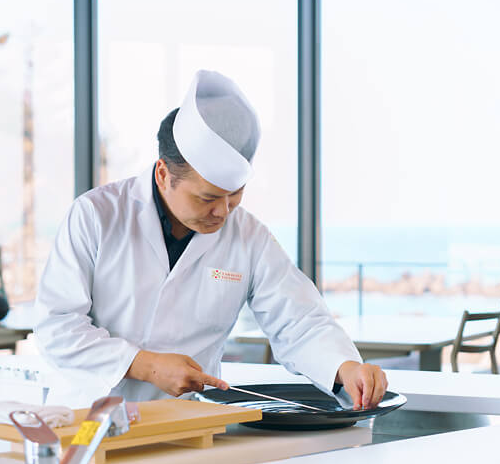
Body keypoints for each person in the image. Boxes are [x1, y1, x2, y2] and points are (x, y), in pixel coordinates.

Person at [36, 70, 387, 409]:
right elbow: (58, 326)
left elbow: (298, 319)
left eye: (235, 195)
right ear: (163, 174)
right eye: (207, 198)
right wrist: (147, 365)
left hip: (188, 425)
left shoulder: (249, 236)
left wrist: (345, 368)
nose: (222, 212)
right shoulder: (96, 215)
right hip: (88, 419)